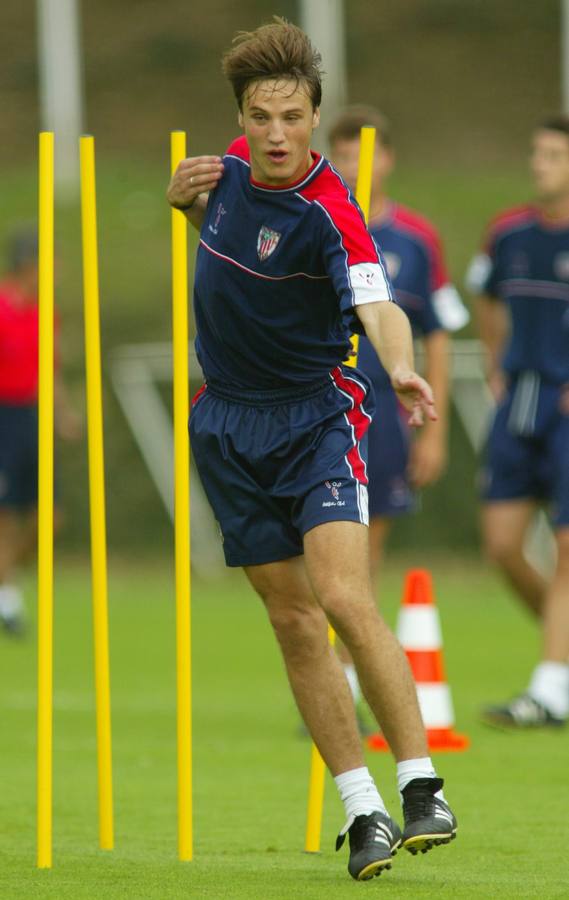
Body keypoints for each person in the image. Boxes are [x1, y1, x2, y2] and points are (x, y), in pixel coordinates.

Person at [168, 18, 457, 881]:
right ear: (243, 115)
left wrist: (400, 369)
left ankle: (421, 787)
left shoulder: (334, 213)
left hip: (313, 421)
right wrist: (185, 206)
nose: (275, 133)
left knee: (339, 594)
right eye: (261, 115)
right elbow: (231, 262)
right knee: (291, 621)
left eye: (292, 116)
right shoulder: (220, 175)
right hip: (225, 423)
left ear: (315, 116)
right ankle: (362, 811)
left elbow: (378, 307)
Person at [328, 106, 469, 723]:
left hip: (384, 412)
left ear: (387, 159)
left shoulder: (416, 238)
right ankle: (329, 675)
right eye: (344, 155)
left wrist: (432, 432)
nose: (356, 166)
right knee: (320, 552)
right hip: (321, 403)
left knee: (365, 551)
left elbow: (437, 332)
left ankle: (349, 678)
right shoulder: (317, 220)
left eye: (366, 153)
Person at [467, 115, 569, 728]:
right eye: (536, 152)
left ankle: (551, 687)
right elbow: (484, 295)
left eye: (553, 153)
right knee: (502, 547)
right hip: (518, 406)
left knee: (565, 549)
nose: (539, 163)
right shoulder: (507, 234)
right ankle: (562, 665)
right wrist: (493, 359)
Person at [0, 228, 80, 635]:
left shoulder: (46, 312)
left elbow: (51, 370)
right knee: (6, 516)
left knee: (50, 517)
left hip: (30, 416)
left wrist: (63, 413)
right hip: (1, 416)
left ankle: (5, 578)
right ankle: (8, 599)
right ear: (29, 266)